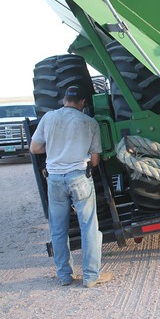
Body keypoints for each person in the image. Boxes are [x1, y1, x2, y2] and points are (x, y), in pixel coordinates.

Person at [30, 85, 113, 287]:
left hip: (55, 179)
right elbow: (94, 160)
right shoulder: (89, 122)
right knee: (89, 228)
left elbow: (35, 148)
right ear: (83, 103)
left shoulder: (49, 118)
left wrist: (56, 149)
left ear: (65, 101)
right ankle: (91, 277)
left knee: (58, 230)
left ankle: (65, 277)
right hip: (79, 178)